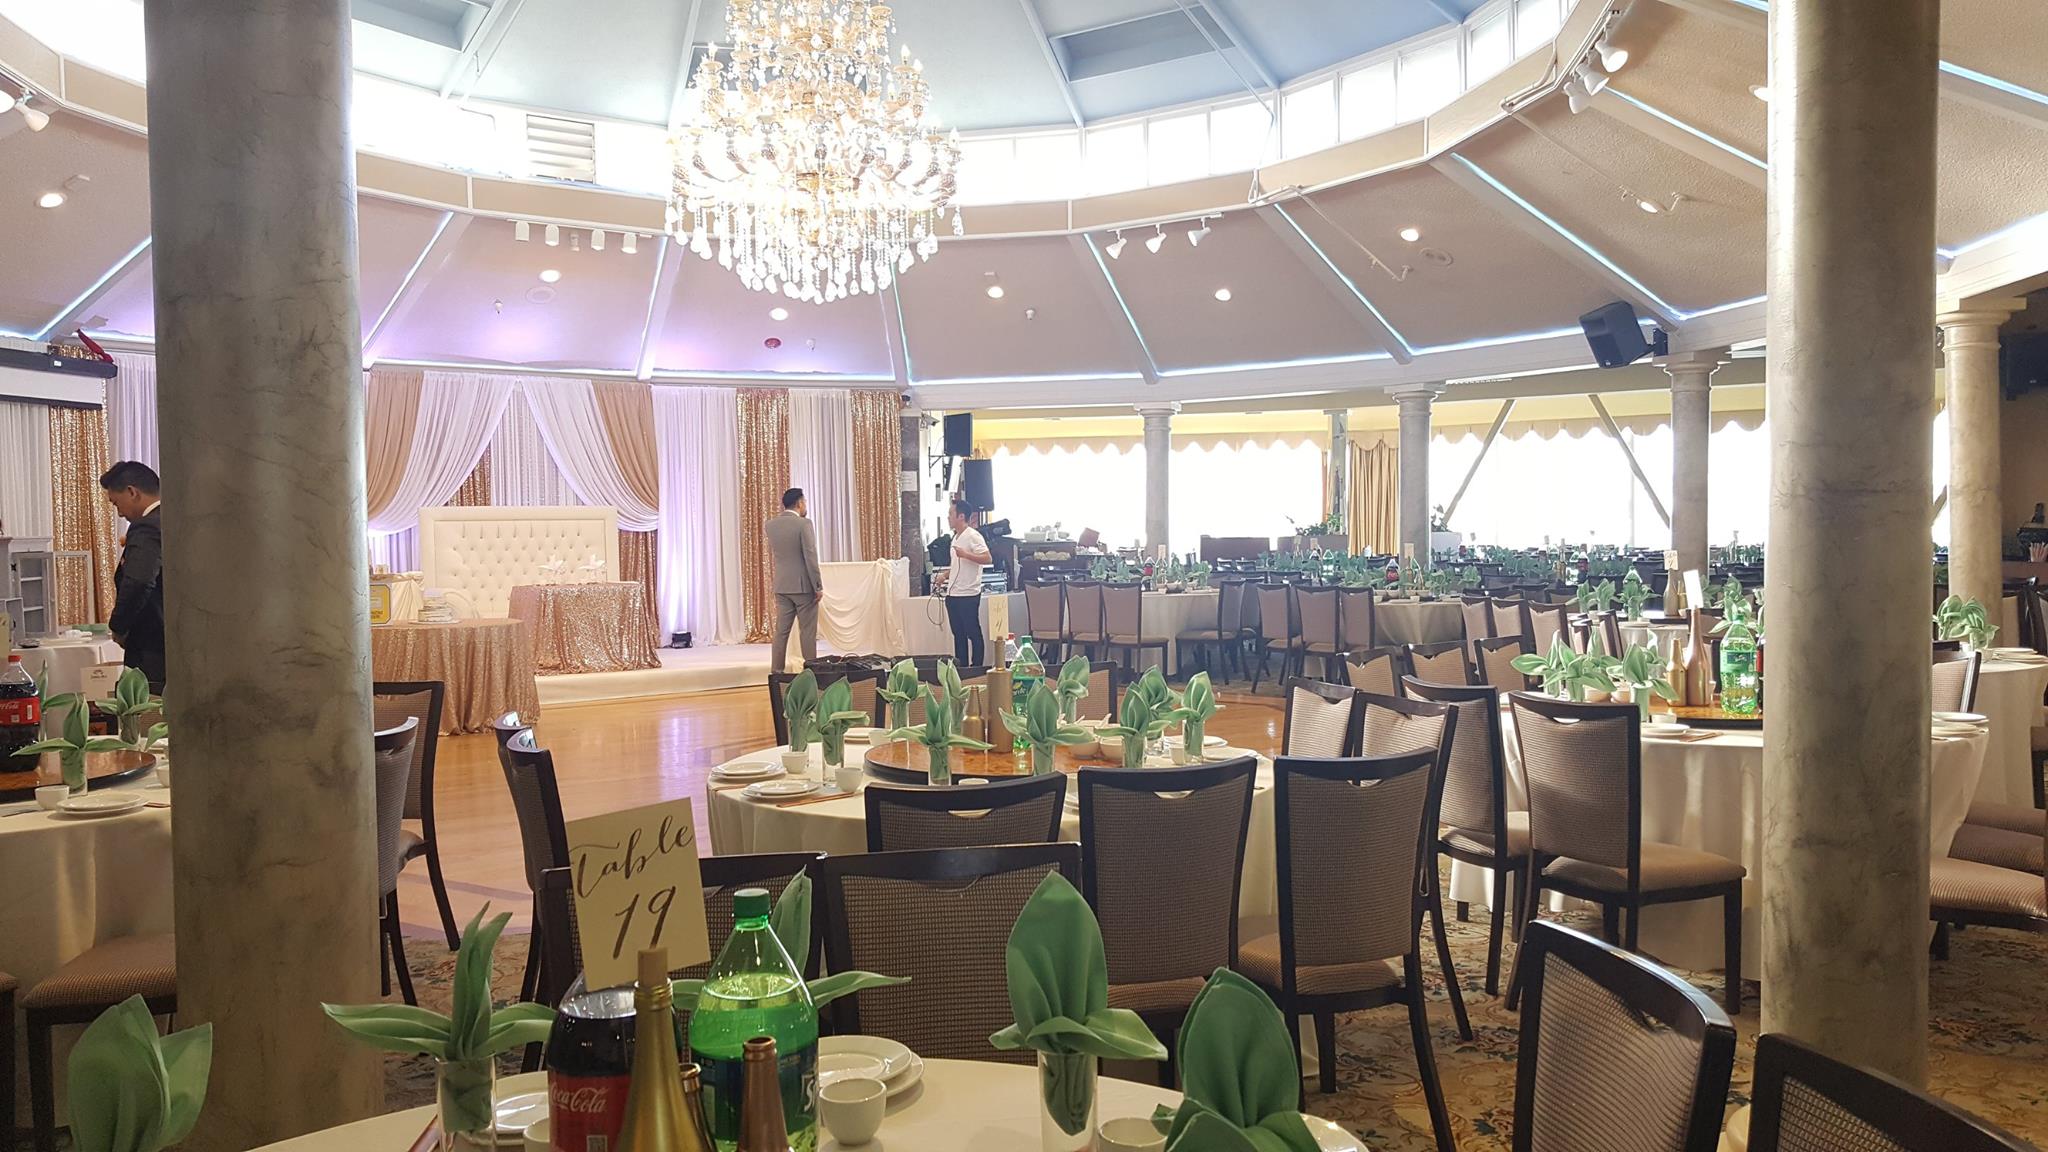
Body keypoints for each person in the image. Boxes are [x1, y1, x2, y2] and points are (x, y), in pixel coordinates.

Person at [100, 460, 167, 690]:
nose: (119, 513)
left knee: (146, 718)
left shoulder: (146, 527)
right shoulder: (175, 520)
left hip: (152, 647)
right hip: (177, 642)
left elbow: (139, 581)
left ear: (132, 492)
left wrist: (118, 626)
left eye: (116, 503)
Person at [765, 486, 824, 674]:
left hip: (782, 585)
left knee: (781, 632)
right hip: (803, 587)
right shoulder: (804, 524)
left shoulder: (771, 525)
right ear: (799, 503)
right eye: (805, 501)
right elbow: (810, 556)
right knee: (807, 632)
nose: (805, 505)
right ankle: (811, 673)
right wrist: (818, 585)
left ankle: (776, 672)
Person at [940, 499, 991, 667]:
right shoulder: (955, 537)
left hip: (968, 594)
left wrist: (966, 555)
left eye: (950, 514)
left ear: (961, 516)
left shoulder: (973, 535)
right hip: (953, 593)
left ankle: (976, 668)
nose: (948, 517)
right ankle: (961, 668)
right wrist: (945, 575)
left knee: (973, 633)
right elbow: (957, 565)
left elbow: (987, 558)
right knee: (958, 634)